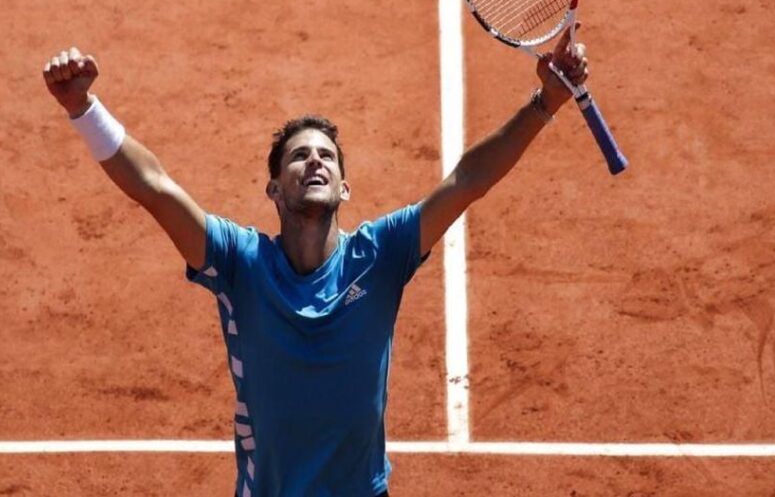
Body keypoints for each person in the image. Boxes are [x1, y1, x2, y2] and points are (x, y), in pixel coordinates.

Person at [41, 30, 589, 496]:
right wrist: (83, 109)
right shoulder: (239, 262)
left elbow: (467, 180)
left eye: (326, 155)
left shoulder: (381, 255)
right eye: (299, 156)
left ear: (344, 188)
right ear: (274, 189)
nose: (314, 162)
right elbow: (156, 189)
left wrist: (543, 103)